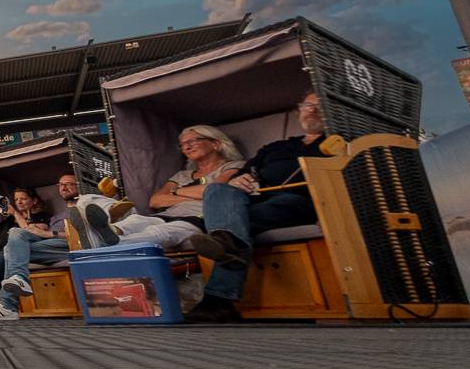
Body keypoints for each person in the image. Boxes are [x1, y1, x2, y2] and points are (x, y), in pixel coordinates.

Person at [183, 92, 333, 324]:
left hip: (303, 200)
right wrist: (237, 181)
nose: (312, 110)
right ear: (298, 111)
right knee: (217, 190)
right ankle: (227, 245)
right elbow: (246, 172)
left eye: (319, 105)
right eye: (307, 105)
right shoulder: (277, 147)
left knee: (234, 222)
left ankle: (218, 295)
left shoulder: (338, 142)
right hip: (258, 200)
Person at [66, 126, 243, 250]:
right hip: (164, 215)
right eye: (183, 144)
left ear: (216, 143)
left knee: (158, 233)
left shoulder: (234, 166)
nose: (187, 146)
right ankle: (108, 227)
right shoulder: (182, 175)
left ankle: (101, 240)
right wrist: (195, 194)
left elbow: (215, 191)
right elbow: (156, 200)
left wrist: (176, 192)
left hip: (196, 219)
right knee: (87, 199)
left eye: (194, 140)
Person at [0, 173, 79, 322]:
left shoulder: (84, 205)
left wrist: (47, 233)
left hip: (69, 245)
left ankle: (8, 305)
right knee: (14, 237)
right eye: (61, 184)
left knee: (10, 249)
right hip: (47, 246)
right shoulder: (58, 215)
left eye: (69, 184)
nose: (63, 187)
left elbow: (80, 234)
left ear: (80, 186)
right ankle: (18, 280)